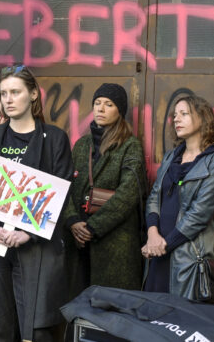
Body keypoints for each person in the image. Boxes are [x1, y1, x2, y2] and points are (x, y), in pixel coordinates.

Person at [0, 65, 73, 342]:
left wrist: (27, 234)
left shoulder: (55, 138)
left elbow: (62, 191)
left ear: (33, 94)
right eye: (4, 93)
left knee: (36, 327)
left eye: (16, 92)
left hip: (35, 246)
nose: (8, 99)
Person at [141, 94, 214, 299]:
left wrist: (163, 245)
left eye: (184, 114)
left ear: (202, 118)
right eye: (175, 115)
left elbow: (199, 214)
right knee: (153, 317)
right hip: (158, 251)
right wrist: (153, 234)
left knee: (179, 322)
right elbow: (155, 196)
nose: (176, 119)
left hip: (186, 257)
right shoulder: (172, 156)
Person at [63, 83, 146, 299]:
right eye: (97, 103)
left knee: (111, 308)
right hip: (78, 239)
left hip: (114, 241)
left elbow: (129, 193)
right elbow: (65, 184)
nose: (100, 109)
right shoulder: (82, 145)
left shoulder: (130, 145)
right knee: (78, 302)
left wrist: (93, 227)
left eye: (108, 104)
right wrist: (72, 221)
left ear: (120, 111)